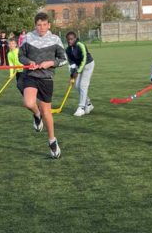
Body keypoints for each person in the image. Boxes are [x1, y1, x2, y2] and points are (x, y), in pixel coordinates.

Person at [18, 11, 66, 159]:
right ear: (35, 25)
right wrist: (29, 62)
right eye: (39, 25)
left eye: (44, 24)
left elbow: (63, 59)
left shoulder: (55, 39)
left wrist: (50, 63)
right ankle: (36, 114)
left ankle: (52, 140)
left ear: (49, 25)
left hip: (46, 78)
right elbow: (20, 56)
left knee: (47, 112)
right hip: (31, 76)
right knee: (28, 103)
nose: (42, 28)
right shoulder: (28, 37)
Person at [65, 31, 95, 117]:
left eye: (71, 39)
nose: (70, 41)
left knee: (83, 85)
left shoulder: (80, 45)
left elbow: (84, 59)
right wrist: (72, 73)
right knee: (77, 86)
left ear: (75, 39)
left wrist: (78, 72)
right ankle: (88, 104)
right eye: (68, 39)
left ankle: (81, 107)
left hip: (88, 65)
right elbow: (71, 62)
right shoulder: (67, 50)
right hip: (79, 66)